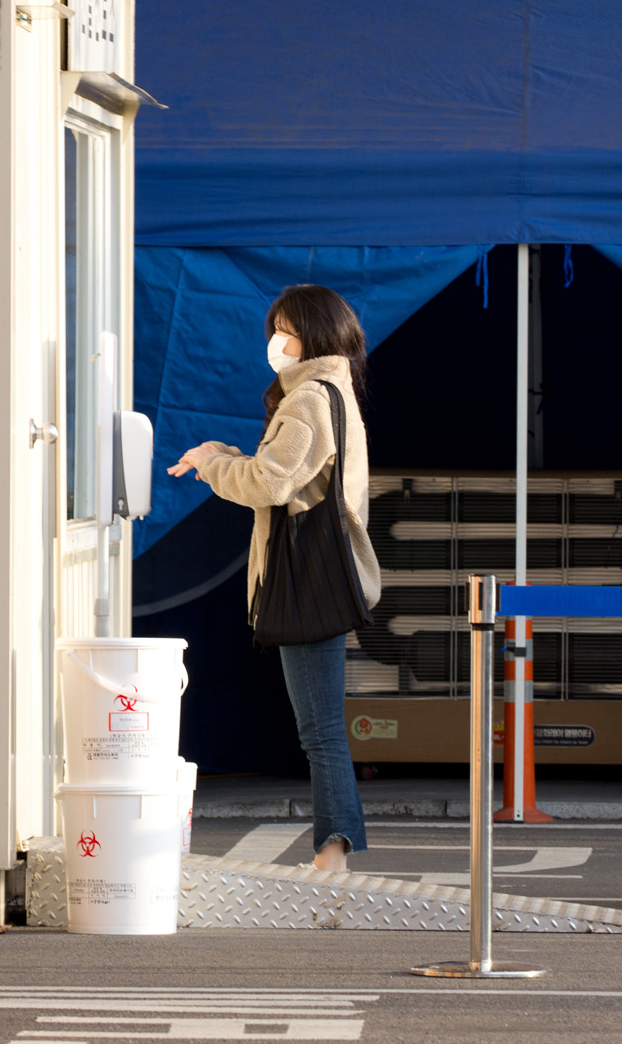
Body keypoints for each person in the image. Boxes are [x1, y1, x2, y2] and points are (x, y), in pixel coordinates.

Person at [167, 284, 382, 871]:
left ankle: (332, 857)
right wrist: (222, 454)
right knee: (320, 728)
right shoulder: (332, 390)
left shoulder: (311, 398)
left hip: (310, 582)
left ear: (312, 333)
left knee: (320, 732)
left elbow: (271, 484)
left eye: (285, 329)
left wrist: (213, 465)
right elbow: (286, 473)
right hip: (321, 578)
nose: (275, 341)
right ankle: (333, 853)